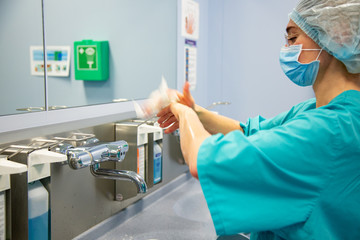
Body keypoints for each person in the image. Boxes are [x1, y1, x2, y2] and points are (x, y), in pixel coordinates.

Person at [157, 0, 360, 239]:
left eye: (293, 39)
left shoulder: (329, 129)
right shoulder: (322, 111)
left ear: (338, 38)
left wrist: (185, 115)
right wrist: (196, 111)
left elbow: (203, 159)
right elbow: (248, 133)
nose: (286, 48)